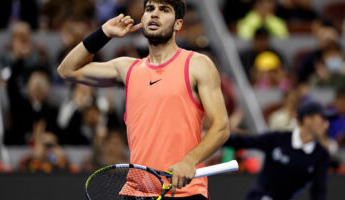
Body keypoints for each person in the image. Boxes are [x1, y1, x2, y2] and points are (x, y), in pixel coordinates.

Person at [57, 0, 230, 199]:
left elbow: (221, 127)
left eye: (164, 10)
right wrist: (104, 32)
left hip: (184, 193)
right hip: (136, 191)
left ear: (178, 24)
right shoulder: (127, 68)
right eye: (149, 9)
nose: (154, 14)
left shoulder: (197, 65)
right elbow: (67, 70)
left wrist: (190, 160)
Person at [225, 101, 334, 200]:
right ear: (307, 119)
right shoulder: (278, 138)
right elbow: (243, 141)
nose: (327, 125)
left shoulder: (321, 156)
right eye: (323, 119)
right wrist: (216, 135)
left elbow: (319, 191)